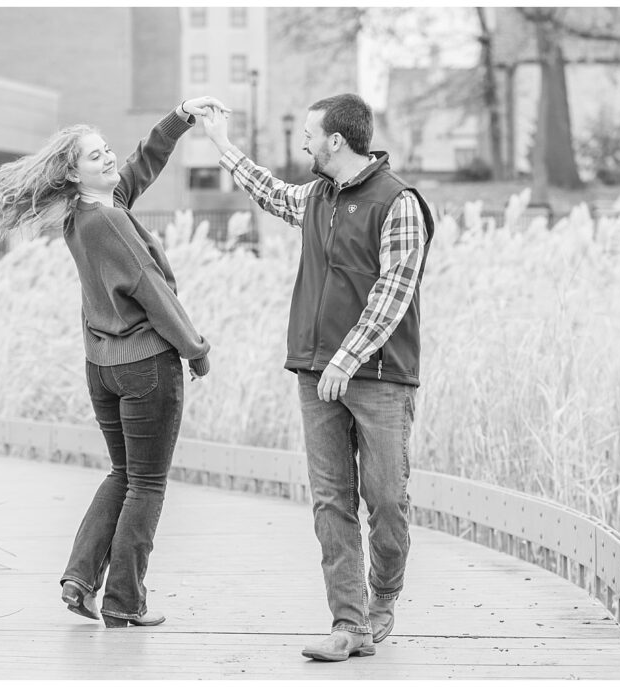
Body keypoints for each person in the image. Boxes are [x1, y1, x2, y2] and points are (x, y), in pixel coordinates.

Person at [0, 96, 229, 629]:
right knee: (147, 484)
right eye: (95, 156)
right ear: (73, 172)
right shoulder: (110, 222)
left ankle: (81, 578)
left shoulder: (84, 214)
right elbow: (152, 290)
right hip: (145, 367)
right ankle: (125, 601)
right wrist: (196, 351)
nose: (109, 159)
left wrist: (179, 117)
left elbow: (141, 163)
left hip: (102, 368)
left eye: (107, 150)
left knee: (123, 473)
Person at [200, 94, 434, 661]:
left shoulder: (397, 202)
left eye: (310, 134)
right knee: (331, 501)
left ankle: (384, 594)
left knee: (385, 498)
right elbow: (268, 191)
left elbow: (393, 293)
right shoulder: (317, 197)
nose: (303, 143)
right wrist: (221, 144)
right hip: (313, 371)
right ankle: (348, 624)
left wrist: (347, 359)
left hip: (378, 376)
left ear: (336, 140)